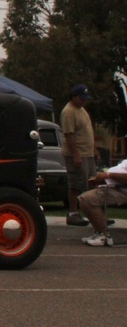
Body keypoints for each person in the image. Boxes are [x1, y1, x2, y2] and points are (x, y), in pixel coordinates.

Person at [61, 84, 98, 226]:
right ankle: (73, 213)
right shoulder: (68, 111)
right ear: (74, 96)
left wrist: (94, 149)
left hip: (87, 153)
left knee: (92, 183)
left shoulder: (81, 110)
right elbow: (69, 135)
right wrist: (76, 155)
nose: (84, 101)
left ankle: (96, 214)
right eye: (81, 98)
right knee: (76, 184)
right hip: (76, 154)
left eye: (85, 99)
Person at [78, 158, 127, 246]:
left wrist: (108, 175)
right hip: (115, 187)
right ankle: (99, 232)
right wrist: (101, 179)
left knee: (88, 199)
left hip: (122, 190)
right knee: (84, 199)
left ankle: (103, 236)